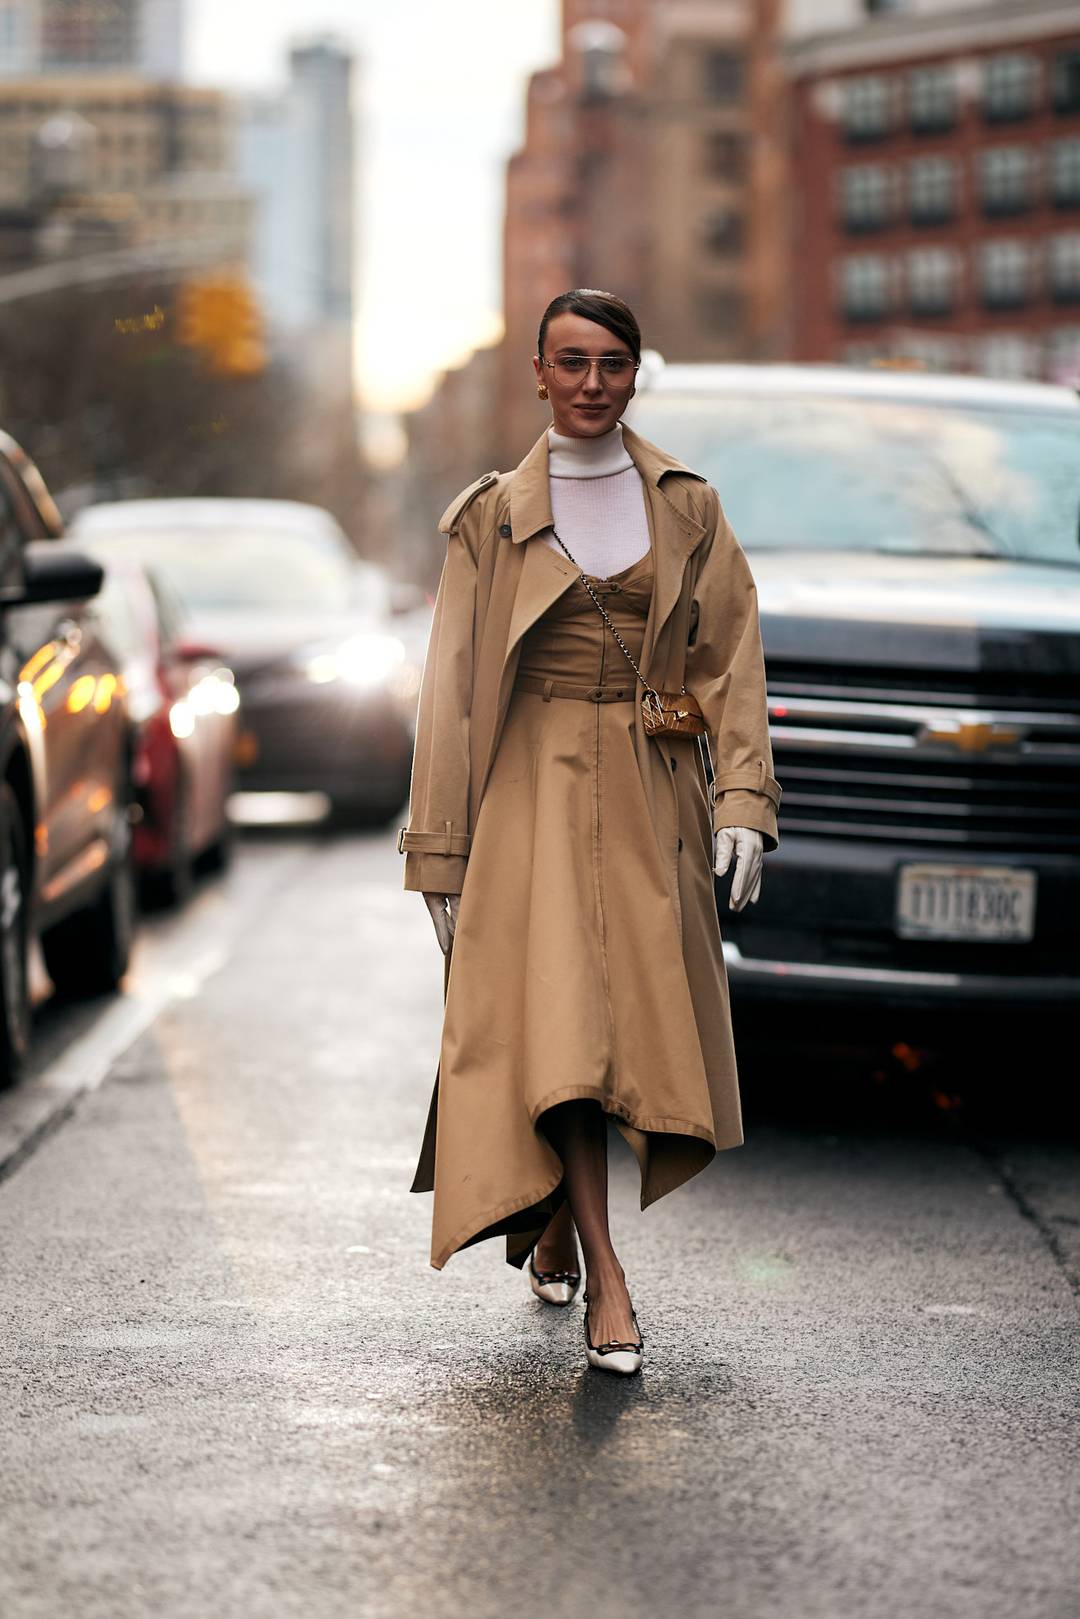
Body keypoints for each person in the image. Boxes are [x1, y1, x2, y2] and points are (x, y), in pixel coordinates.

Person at [398, 289, 780, 1376]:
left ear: (634, 372)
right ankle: (609, 1279)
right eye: (572, 360)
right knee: (562, 1029)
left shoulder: (689, 508)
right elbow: (455, 688)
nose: (592, 382)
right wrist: (440, 851)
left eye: (612, 362)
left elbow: (731, 663)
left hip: (653, 783)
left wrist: (744, 799)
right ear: (539, 371)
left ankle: (559, 1218)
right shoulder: (488, 517)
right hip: (528, 787)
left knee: (637, 1030)